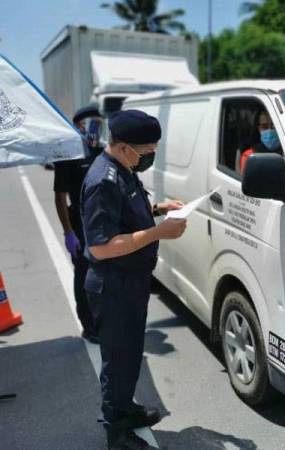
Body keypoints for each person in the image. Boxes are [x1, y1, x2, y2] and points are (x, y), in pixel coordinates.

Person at [81, 109, 187, 449]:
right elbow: (100, 248)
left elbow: (126, 215)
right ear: (125, 147)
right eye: (146, 152)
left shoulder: (123, 170)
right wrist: (159, 232)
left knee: (129, 355)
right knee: (118, 358)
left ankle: (126, 409)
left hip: (130, 283)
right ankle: (117, 431)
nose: (150, 157)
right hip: (114, 286)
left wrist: (157, 209)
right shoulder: (103, 181)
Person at [53, 104, 104, 343]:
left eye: (98, 123)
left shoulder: (103, 152)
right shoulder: (68, 155)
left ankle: (102, 320)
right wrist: (68, 231)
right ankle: (89, 325)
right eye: (91, 123)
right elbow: (60, 195)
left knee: (103, 274)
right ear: (79, 126)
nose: (96, 127)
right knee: (84, 275)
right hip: (80, 223)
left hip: (103, 223)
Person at [239, 109, 282, 174]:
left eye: (274, 126)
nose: (270, 130)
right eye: (264, 127)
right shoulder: (250, 156)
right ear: (258, 129)